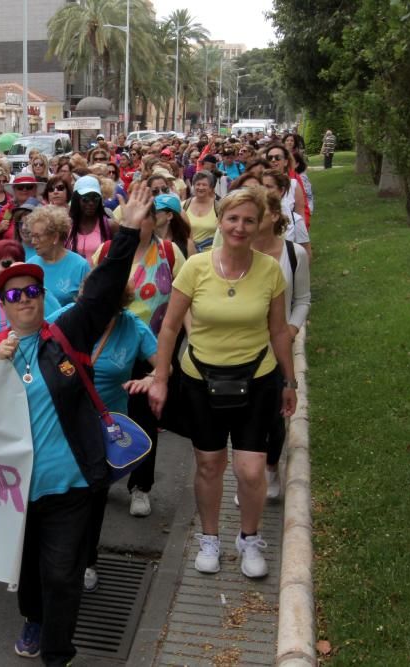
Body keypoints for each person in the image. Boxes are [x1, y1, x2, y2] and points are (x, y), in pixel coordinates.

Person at [0, 182, 146, 665]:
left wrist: (128, 231)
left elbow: (101, 294)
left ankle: (58, 653)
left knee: (62, 573)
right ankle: (32, 617)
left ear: (42, 297)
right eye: (14, 295)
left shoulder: (66, 334)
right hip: (17, 488)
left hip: (70, 485)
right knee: (29, 572)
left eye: (32, 291)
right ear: (3, 306)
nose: (25, 299)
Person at [138, 187, 298, 580]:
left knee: (251, 469)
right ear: (221, 221)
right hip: (200, 380)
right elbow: (170, 327)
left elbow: (278, 331)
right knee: (209, 464)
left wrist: (289, 380)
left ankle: (250, 538)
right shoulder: (194, 267)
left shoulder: (269, 270)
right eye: (232, 219)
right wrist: (160, 378)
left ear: (260, 222)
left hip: (257, 379)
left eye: (248, 220)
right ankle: (209, 539)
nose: (240, 227)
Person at [47, 283, 157, 593]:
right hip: (61, 422)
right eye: (87, 301)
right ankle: (57, 558)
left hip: (104, 428)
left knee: (93, 497)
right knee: (62, 496)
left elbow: (164, 366)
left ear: (119, 306)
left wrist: (149, 380)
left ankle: (87, 561)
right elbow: (35, 341)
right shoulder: (67, 316)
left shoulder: (132, 327)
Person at [91, 193, 186, 517]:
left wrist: (169, 361)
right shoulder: (107, 252)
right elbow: (92, 293)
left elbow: (182, 300)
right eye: (130, 217)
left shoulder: (170, 253)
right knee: (104, 417)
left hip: (149, 348)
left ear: (154, 220)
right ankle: (101, 476)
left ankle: (140, 487)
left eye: (144, 216)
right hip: (107, 346)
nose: (136, 222)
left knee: (143, 419)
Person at [248, 191, 310, 501]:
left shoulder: (293, 253)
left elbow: (302, 299)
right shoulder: (237, 251)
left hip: (277, 348)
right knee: (248, 416)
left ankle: (271, 466)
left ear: (274, 215)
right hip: (243, 347)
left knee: (274, 415)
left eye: (257, 213)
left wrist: (292, 327)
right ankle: (251, 474)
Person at [0, 239, 62, 363]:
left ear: (20, 264)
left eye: (6, 263)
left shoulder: (36, 294)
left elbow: (59, 329)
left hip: (36, 364)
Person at [27, 205, 90, 307]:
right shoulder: (30, 266)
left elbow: (88, 305)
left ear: (55, 237)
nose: (33, 242)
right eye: (32, 236)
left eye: (37, 236)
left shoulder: (80, 266)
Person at [261, 170, 311, 259]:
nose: (264, 191)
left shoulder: (296, 220)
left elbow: (306, 254)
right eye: (262, 186)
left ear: (281, 191)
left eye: (269, 187)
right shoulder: (255, 218)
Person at [66, 175, 113, 262]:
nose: (91, 203)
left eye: (95, 198)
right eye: (85, 199)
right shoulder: (67, 226)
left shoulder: (110, 225)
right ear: (76, 199)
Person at [0, 175, 45, 241]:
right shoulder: (6, 210)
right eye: (20, 187)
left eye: (29, 187)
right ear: (14, 190)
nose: (24, 190)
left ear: (35, 189)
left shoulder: (43, 211)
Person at [184, 171, 220, 252]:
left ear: (211, 188)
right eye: (198, 184)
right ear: (193, 186)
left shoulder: (219, 207)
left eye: (204, 185)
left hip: (211, 255)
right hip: (187, 253)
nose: (200, 187)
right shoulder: (183, 206)